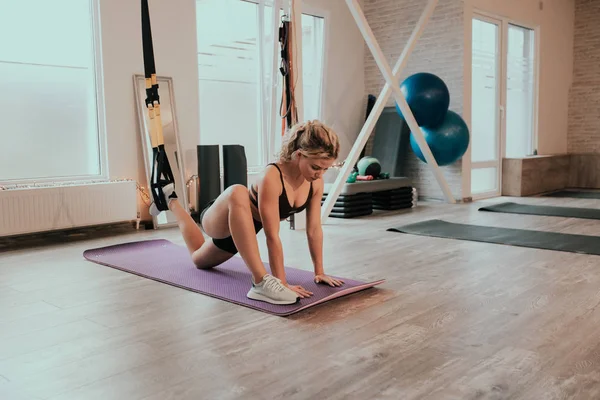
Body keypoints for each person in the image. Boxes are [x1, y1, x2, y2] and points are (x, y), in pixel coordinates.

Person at [149, 120, 345, 305]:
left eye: (325, 169)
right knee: (238, 191)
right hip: (222, 217)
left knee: (199, 261)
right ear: (299, 155)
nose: (320, 174)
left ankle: (169, 199)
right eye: (316, 167)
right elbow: (272, 235)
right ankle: (260, 283)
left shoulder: (315, 183)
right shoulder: (273, 176)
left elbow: (314, 229)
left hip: (245, 232)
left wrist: (319, 271)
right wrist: (281, 282)